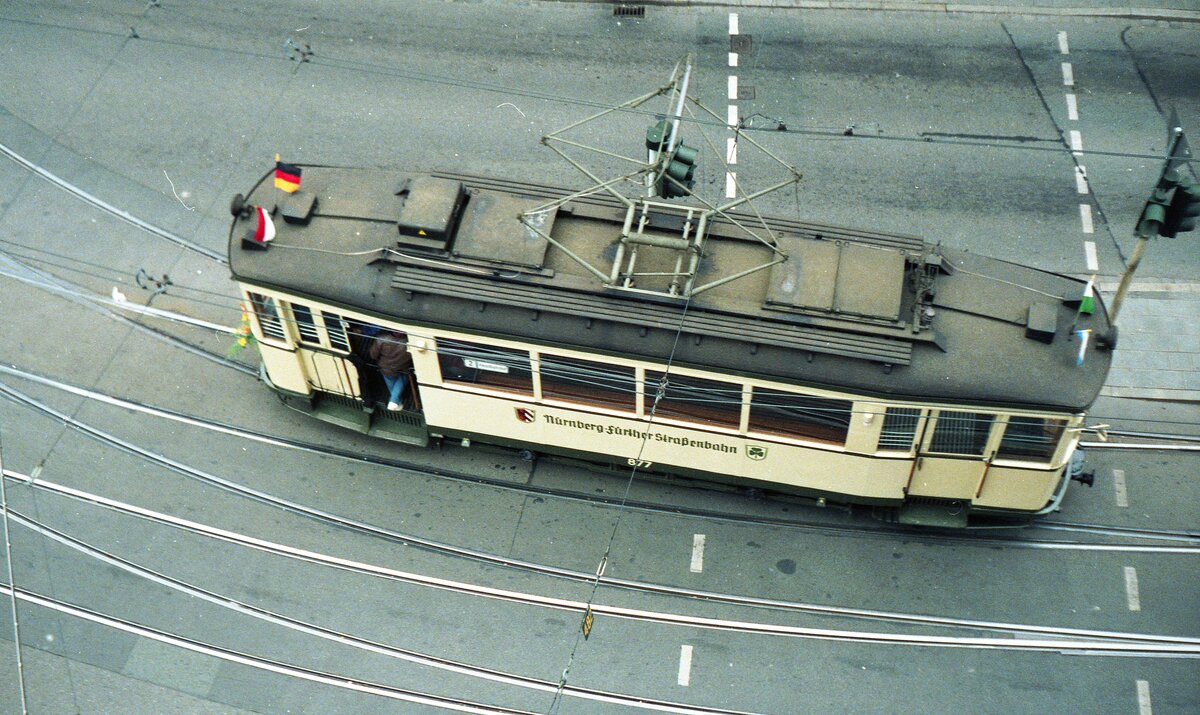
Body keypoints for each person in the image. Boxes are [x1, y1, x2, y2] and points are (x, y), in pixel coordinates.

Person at [369, 330, 413, 411]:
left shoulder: (381, 339)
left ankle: (396, 402)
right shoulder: (409, 341)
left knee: (391, 382)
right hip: (402, 367)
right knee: (402, 379)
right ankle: (394, 401)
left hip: (385, 367)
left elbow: (373, 355)